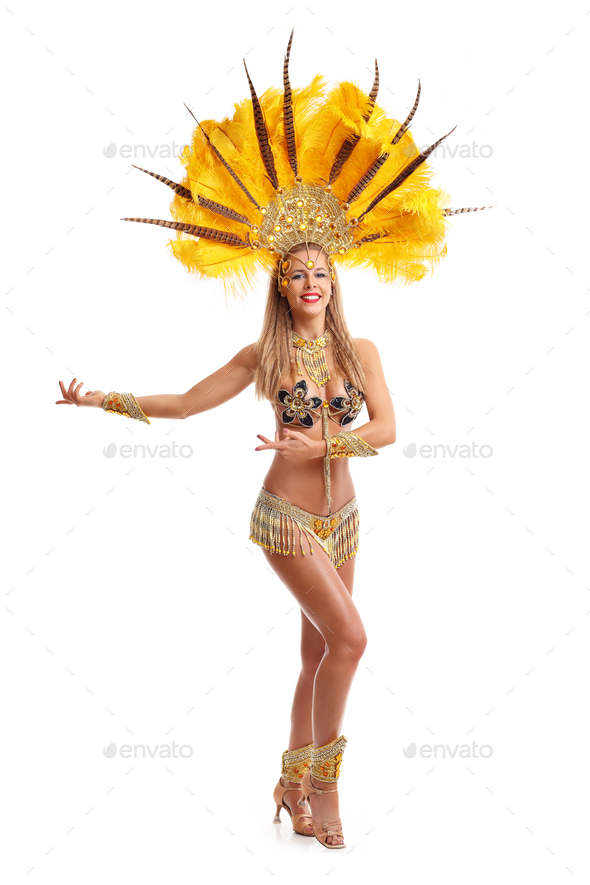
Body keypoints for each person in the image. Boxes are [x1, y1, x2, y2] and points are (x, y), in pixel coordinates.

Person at [56, 29, 490, 849]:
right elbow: (185, 403)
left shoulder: (364, 352)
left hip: (347, 515)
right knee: (353, 639)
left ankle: (290, 782)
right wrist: (99, 400)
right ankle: (324, 794)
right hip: (284, 519)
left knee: (319, 652)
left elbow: (390, 430)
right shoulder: (265, 354)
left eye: (320, 271)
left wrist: (323, 448)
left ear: (336, 278)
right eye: (296, 273)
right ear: (280, 285)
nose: (310, 283)